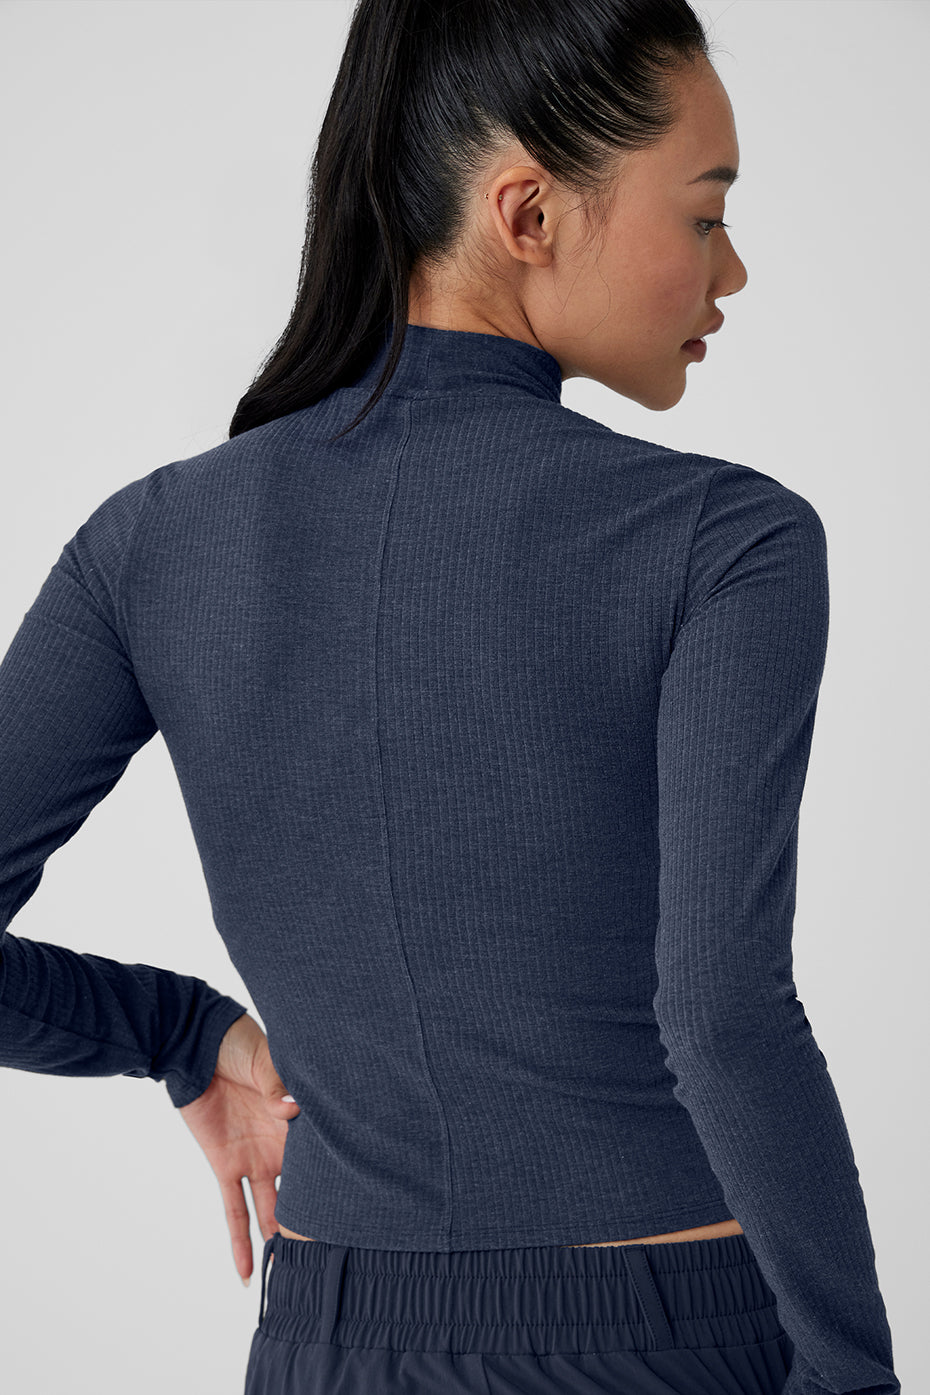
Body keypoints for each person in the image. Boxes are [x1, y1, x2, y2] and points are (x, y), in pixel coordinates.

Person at [0, 0, 900, 1392]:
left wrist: (177, 1036)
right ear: (528, 214)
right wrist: (848, 1371)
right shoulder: (724, 541)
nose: (733, 268)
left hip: (323, 1346)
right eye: (706, 213)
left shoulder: (152, 542)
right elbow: (722, 1014)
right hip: (660, 1340)